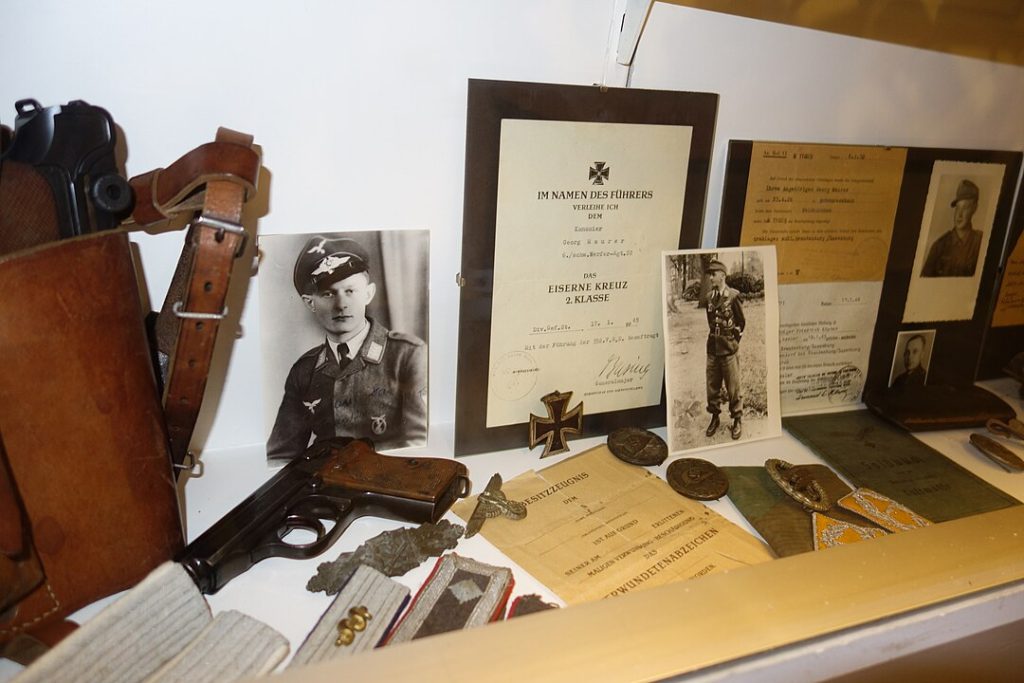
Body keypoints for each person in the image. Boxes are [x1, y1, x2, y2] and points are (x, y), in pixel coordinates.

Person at [267, 235, 428, 459]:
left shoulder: (407, 355)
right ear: (310, 302)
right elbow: (280, 455)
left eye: (350, 291)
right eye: (328, 293)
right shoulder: (303, 371)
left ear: (368, 294)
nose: (341, 304)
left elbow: (421, 445)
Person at [704, 260, 745, 440]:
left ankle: (737, 419)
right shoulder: (708, 298)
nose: (711, 277)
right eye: (710, 274)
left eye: (713, 274)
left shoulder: (733, 296)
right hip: (713, 348)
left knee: (733, 387)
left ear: (722, 275)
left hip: (728, 350)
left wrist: (733, 342)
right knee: (712, 386)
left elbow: (741, 323)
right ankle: (715, 417)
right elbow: (711, 323)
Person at [921, 179, 982, 277]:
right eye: (958, 208)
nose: (959, 214)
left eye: (965, 208)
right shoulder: (939, 246)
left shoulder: (980, 242)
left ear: (975, 208)